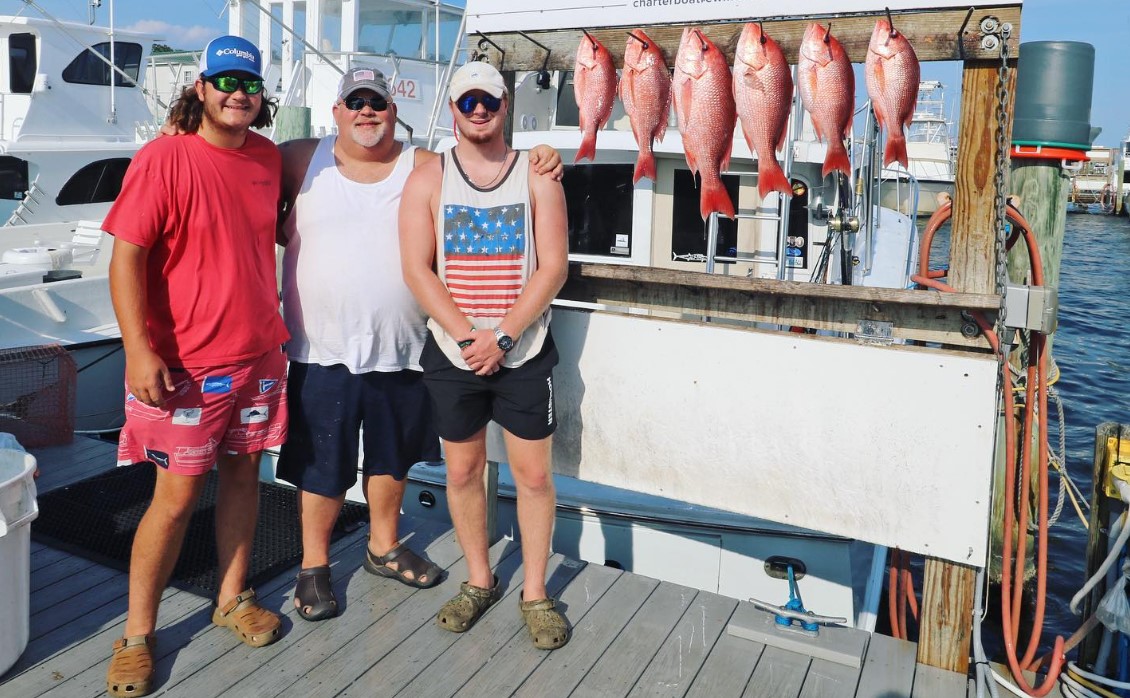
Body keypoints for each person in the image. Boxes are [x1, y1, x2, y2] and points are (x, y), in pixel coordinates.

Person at [275, 67, 563, 621]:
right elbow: (242, 171)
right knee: (322, 463)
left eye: (377, 103)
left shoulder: (422, 163)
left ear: (394, 111)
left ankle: (384, 546)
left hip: (405, 346)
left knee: (391, 457)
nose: (366, 112)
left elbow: (486, 161)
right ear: (336, 111)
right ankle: (314, 568)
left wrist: (546, 153)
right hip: (320, 346)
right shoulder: (297, 158)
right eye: (354, 102)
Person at [103, 36, 288, 698]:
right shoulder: (163, 158)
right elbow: (125, 259)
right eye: (227, 81)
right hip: (183, 366)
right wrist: (136, 347)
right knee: (174, 499)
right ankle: (135, 636)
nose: (240, 93)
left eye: (250, 84)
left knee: (245, 479)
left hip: (259, 357)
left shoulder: (269, 158)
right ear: (202, 89)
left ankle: (231, 597)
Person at [399, 61, 571, 650]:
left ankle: (537, 592)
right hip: (453, 352)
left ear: (505, 108)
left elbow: (553, 267)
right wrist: (469, 336)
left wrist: (502, 337)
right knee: (463, 471)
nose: (478, 110)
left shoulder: (537, 174)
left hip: (523, 352)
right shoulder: (428, 179)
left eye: (489, 102)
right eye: (467, 101)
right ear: (452, 109)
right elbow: (417, 270)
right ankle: (480, 578)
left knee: (533, 477)